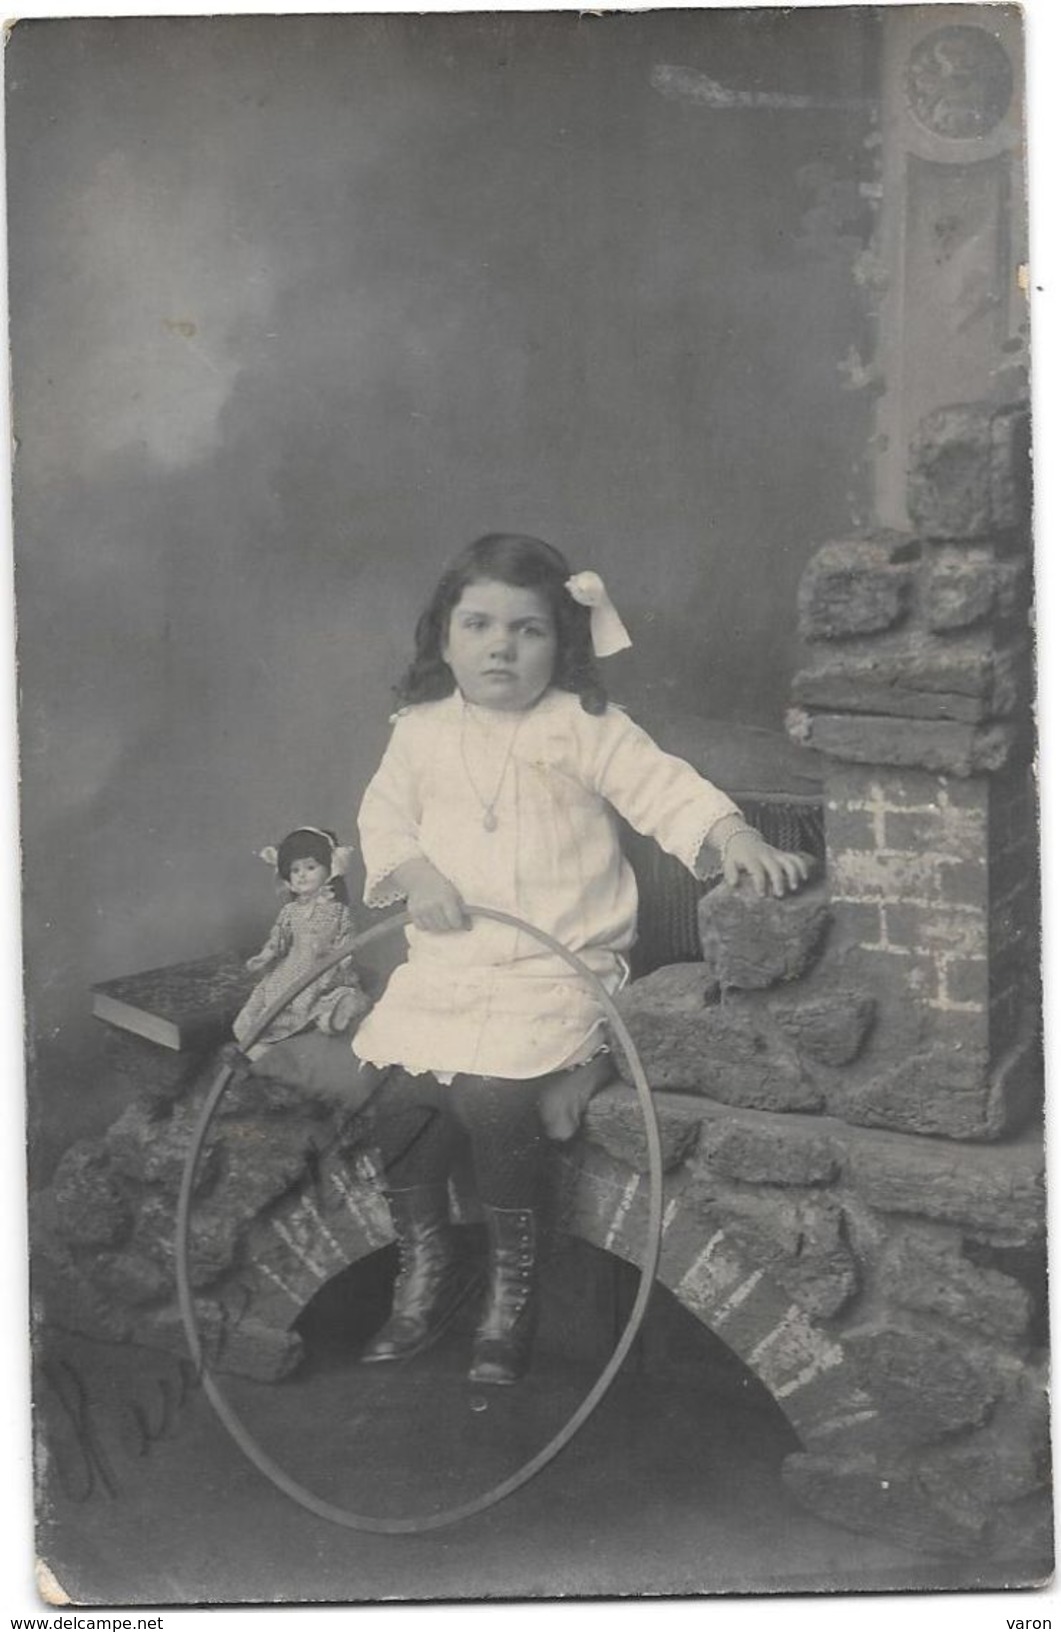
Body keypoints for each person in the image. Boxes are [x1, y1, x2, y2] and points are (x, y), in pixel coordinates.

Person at [351, 535, 810, 1386]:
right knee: (400, 1095)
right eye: (479, 625)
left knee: (492, 1099)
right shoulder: (417, 734)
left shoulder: (582, 726)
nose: (500, 647)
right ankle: (426, 1268)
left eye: (527, 630)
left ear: (561, 642)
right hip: (451, 968)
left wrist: (731, 834)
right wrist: (415, 874)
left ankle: (511, 1290)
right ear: (443, 638)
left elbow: (662, 786)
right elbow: (385, 825)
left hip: (556, 971)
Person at [233, 826, 370, 1060]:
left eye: (310, 867)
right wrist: (266, 955)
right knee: (261, 1005)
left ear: (330, 869)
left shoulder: (337, 911)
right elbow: (279, 938)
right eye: (295, 870)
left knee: (325, 998)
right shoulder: (290, 911)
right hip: (292, 969)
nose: (302, 875)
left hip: (324, 970)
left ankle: (334, 1015)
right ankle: (259, 1046)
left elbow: (347, 940)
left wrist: (342, 960)